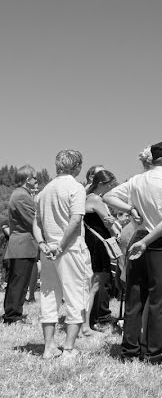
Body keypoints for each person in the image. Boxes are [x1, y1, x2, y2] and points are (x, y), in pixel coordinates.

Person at [104, 140, 162, 364]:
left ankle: (129, 350)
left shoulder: (136, 180)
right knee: (159, 301)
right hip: (160, 242)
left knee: (135, 297)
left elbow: (108, 197)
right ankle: (154, 352)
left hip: (138, 238)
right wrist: (148, 240)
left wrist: (130, 209)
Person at [33, 150, 90, 359]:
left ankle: (48, 346)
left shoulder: (44, 190)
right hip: (70, 248)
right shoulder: (76, 188)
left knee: (49, 296)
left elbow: (36, 222)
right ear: (77, 167)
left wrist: (43, 243)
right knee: (76, 296)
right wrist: (61, 245)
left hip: (48, 249)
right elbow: (75, 220)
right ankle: (68, 348)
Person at [82, 169, 120, 334]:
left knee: (92, 285)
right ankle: (87, 324)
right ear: (102, 184)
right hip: (99, 244)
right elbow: (109, 224)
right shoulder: (96, 199)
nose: (111, 188)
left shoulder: (87, 197)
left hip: (93, 242)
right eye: (110, 185)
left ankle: (87, 322)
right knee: (95, 285)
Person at [3, 165, 40, 325]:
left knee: (17, 282)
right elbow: (34, 220)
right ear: (27, 179)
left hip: (21, 245)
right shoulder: (22, 196)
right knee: (18, 283)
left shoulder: (21, 194)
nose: (37, 180)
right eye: (35, 177)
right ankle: (12, 316)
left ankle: (12, 313)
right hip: (22, 245)